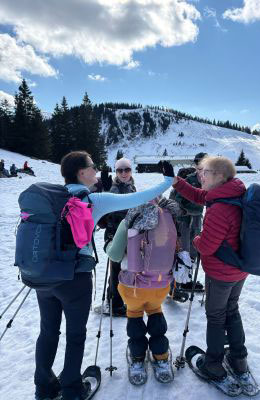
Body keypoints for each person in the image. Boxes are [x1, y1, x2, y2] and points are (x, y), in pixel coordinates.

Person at [34, 151, 174, 400]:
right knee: (75, 335)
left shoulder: (51, 197)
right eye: (92, 167)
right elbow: (138, 198)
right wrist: (167, 181)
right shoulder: (93, 200)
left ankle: (43, 388)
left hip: (43, 276)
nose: (96, 171)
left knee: (48, 331)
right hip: (75, 278)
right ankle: (71, 390)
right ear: (81, 172)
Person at [172, 155, 249, 387]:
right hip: (239, 270)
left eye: (204, 172)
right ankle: (239, 360)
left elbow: (206, 246)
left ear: (219, 176)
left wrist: (195, 239)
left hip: (221, 273)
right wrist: (176, 182)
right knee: (232, 311)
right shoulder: (232, 194)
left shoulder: (220, 209)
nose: (199, 176)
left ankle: (214, 364)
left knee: (215, 316)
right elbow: (198, 195)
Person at [104, 196, 180, 384]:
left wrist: (107, 244)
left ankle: (138, 358)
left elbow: (114, 254)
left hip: (133, 286)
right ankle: (161, 357)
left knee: (135, 315)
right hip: (161, 284)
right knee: (155, 312)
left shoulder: (130, 219)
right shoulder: (169, 218)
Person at [95, 157, 136, 317]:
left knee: (123, 268)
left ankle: (116, 300)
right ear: (116, 172)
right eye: (120, 170)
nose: (124, 173)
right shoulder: (113, 187)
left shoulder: (132, 187)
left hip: (130, 233)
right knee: (116, 268)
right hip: (114, 234)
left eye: (127, 169)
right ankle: (114, 303)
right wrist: (105, 191)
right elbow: (108, 207)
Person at [169, 153, 205, 294]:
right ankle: (175, 285)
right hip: (184, 221)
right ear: (196, 165)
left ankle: (187, 281)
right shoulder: (189, 180)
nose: (202, 167)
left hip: (196, 221)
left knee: (193, 252)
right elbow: (176, 202)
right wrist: (188, 211)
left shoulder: (209, 180)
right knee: (182, 251)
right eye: (199, 164)